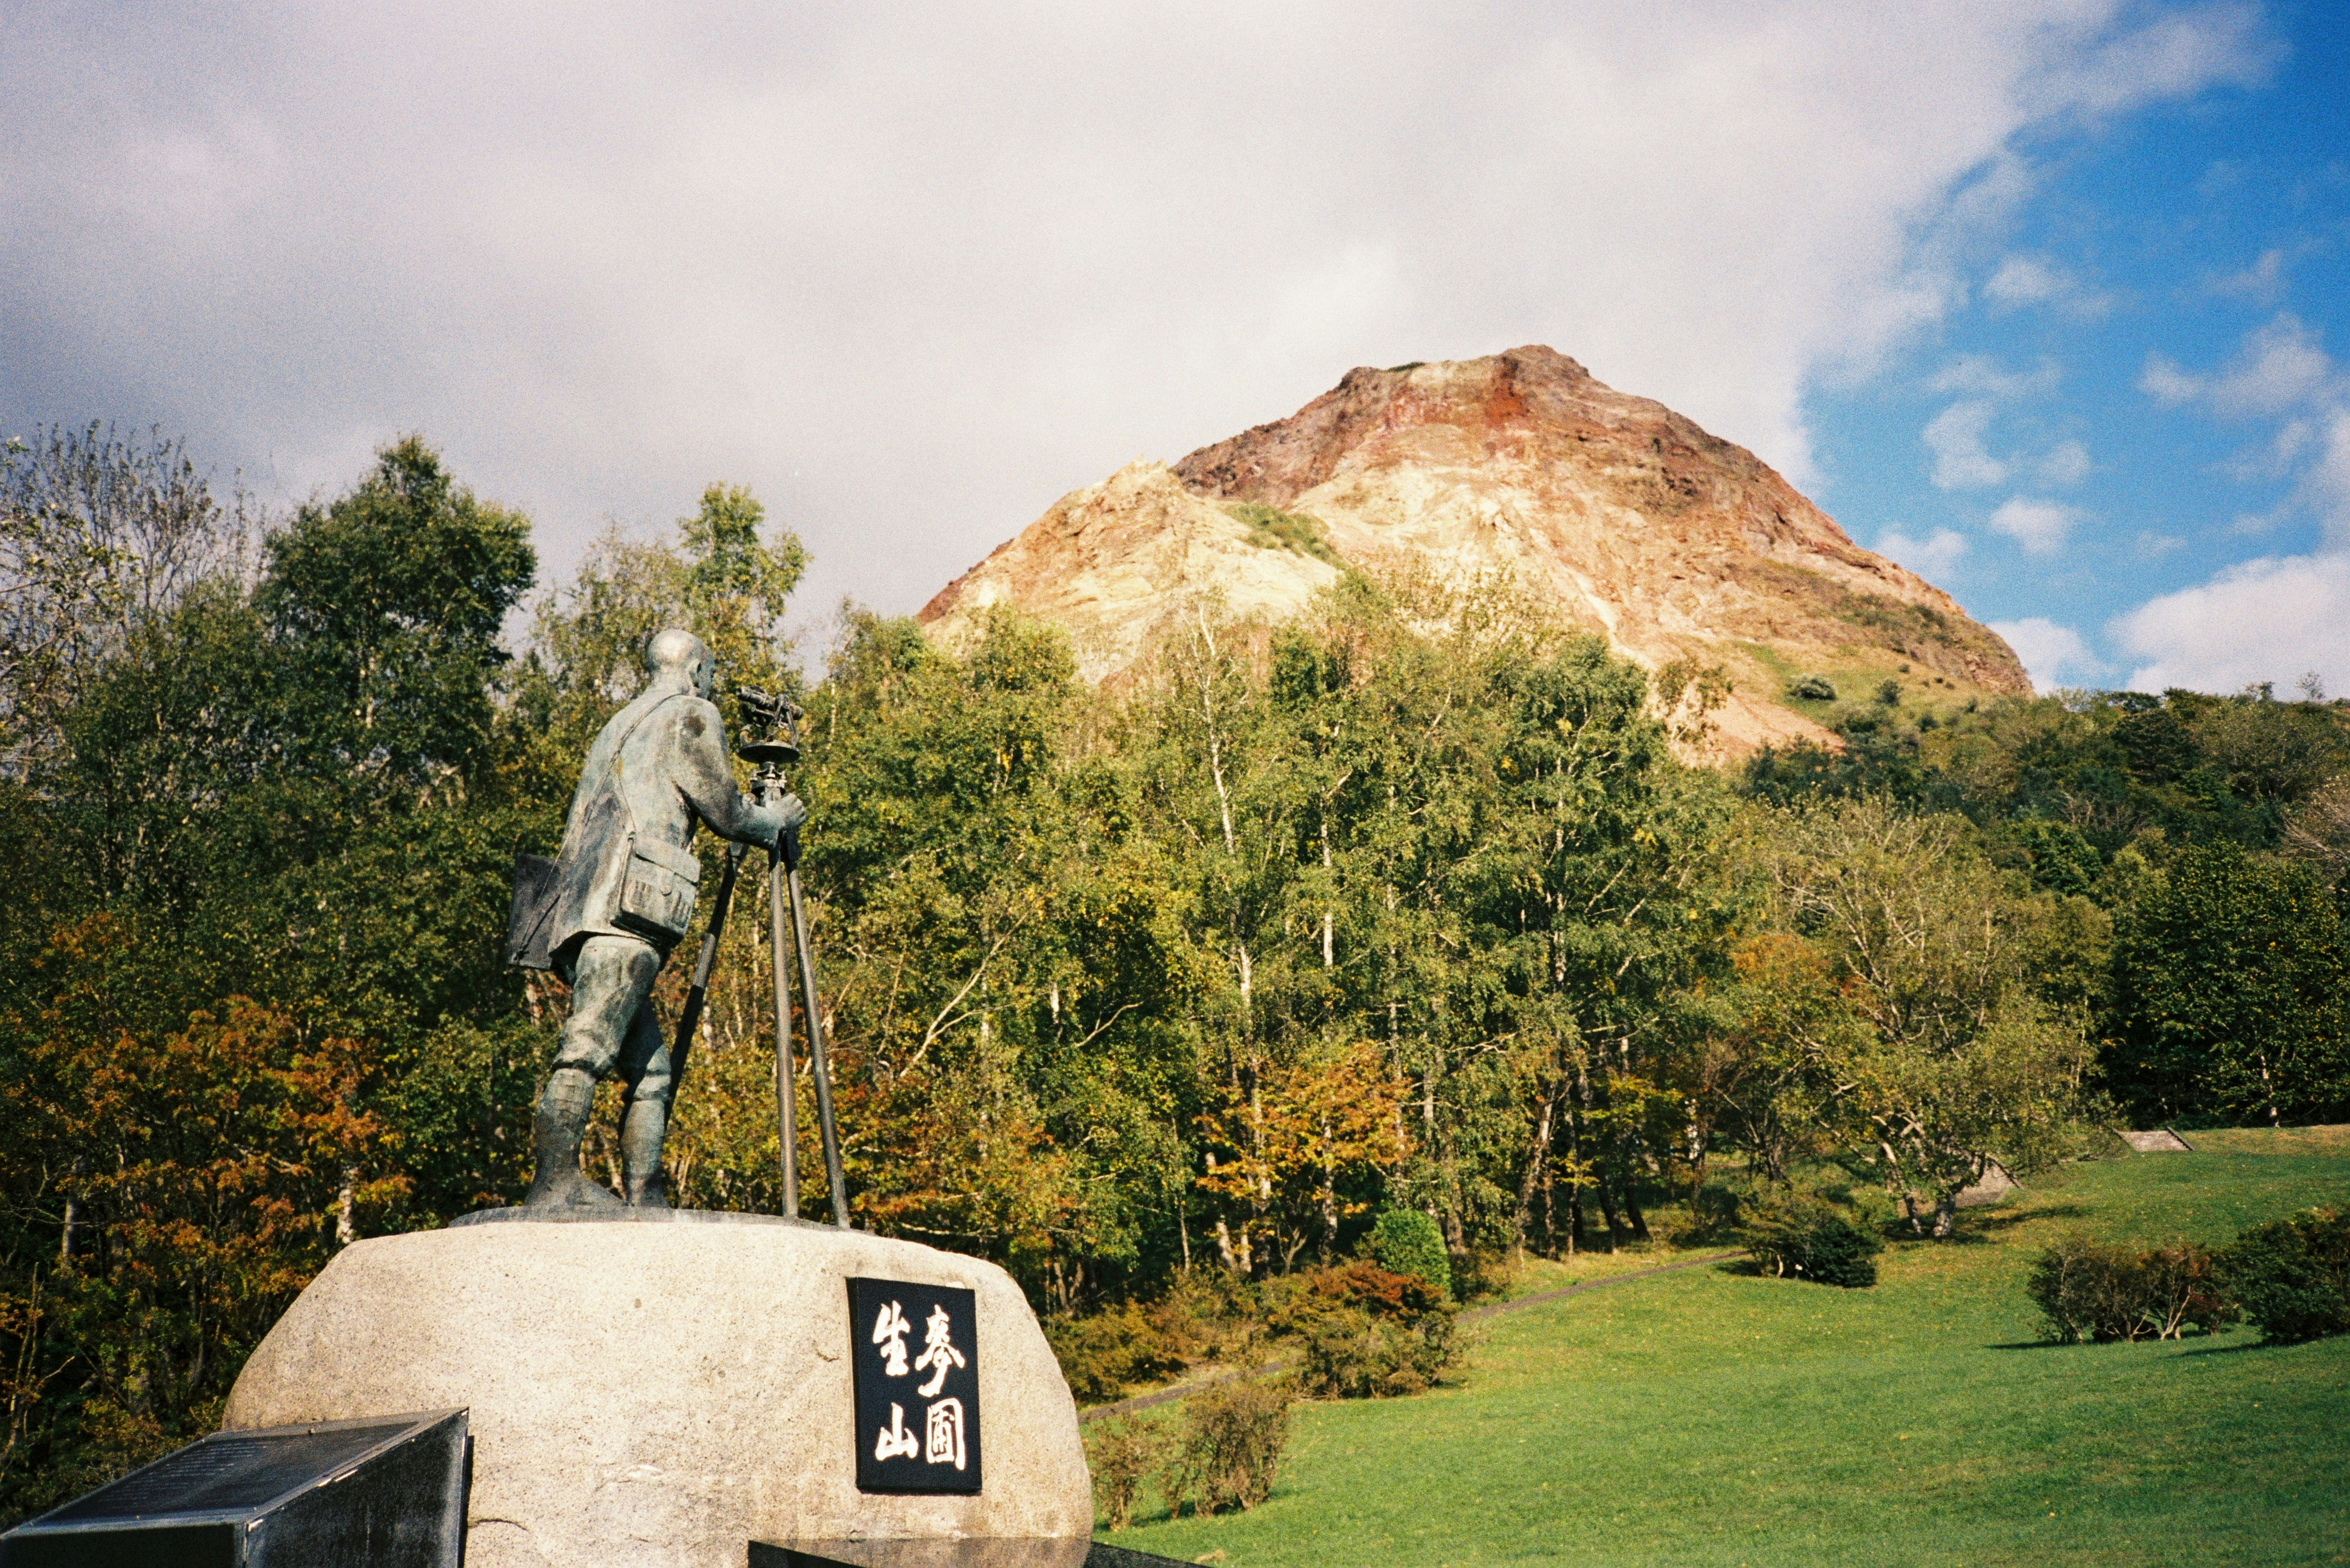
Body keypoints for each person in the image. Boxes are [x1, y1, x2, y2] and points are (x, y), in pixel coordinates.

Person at [518, 628, 800, 1208]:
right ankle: (553, 1183)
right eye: (711, 672)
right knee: (588, 1046)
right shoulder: (690, 714)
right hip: (622, 913)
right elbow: (723, 808)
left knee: (651, 1073)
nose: (713, 683)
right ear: (695, 668)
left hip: (576, 914)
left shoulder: (618, 724)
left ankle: (647, 1194)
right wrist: (774, 818)